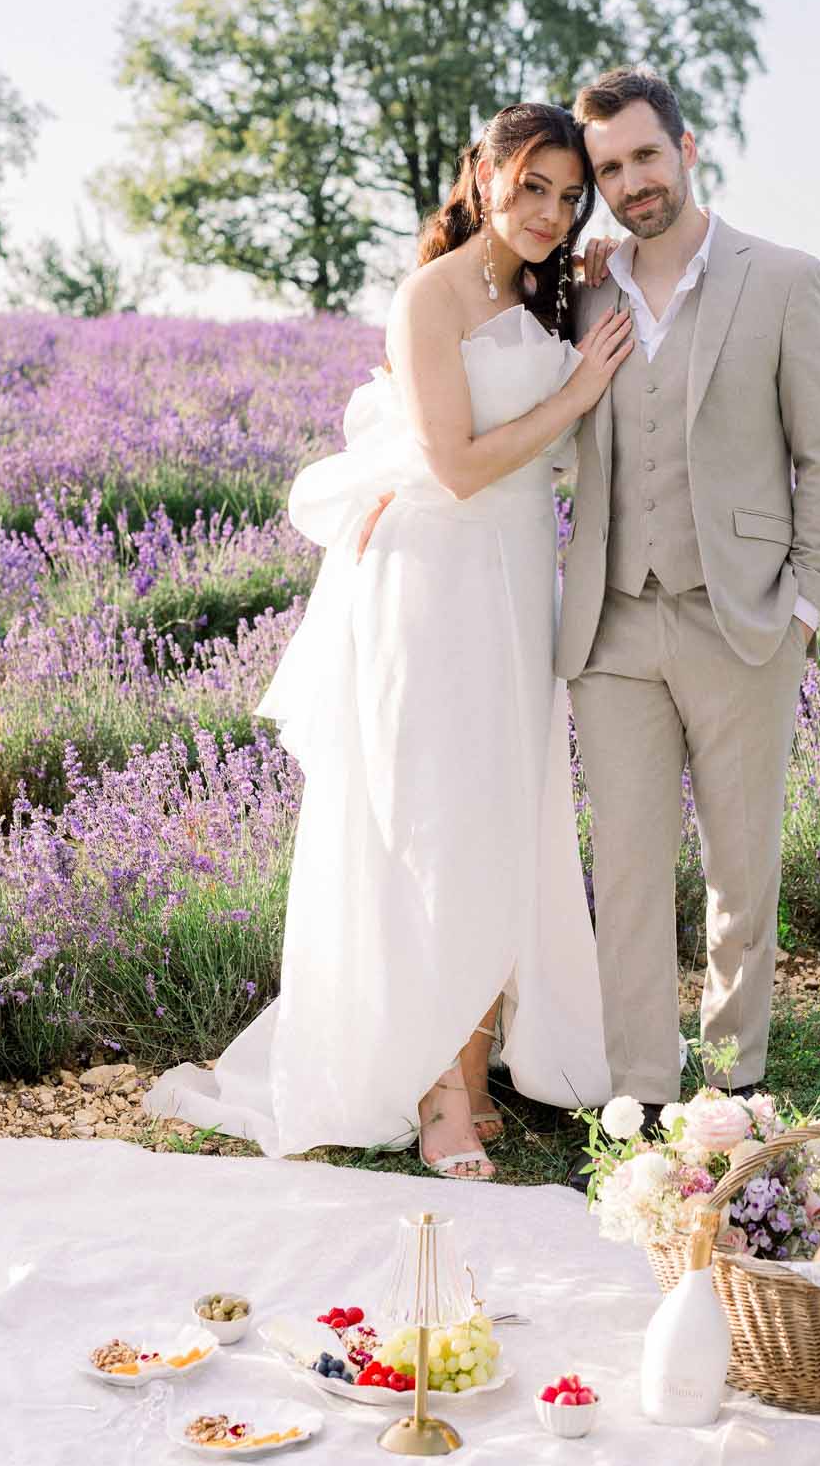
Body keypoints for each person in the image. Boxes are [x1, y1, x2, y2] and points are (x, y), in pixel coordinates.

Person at [145, 103, 631, 1178]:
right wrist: (581, 389)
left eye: (568, 192)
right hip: (435, 578)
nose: (550, 211)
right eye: (533, 186)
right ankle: (434, 1090)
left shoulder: (550, 287)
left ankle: (474, 1046)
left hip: (515, 578)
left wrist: (598, 280)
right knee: (434, 817)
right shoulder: (431, 295)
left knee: (502, 810)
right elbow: (455, 463)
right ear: (484, 173)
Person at [562, 68, 820, 1129]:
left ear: (687, 148)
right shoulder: (582, 290)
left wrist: (808, 605)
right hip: (611, 624)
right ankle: (638, 1089)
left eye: (644, 155)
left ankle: (734, 1085)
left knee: (741, 864)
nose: (630, 180)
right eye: (608, 169)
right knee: (630, 869)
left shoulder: (781, 277)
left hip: (744, 616)